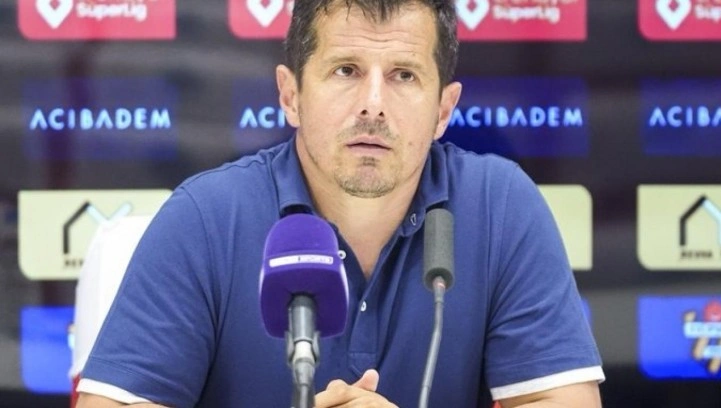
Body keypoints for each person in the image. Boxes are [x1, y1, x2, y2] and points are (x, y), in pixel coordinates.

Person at [76, 0, 604, 406]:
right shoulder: (206, 217)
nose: (373, 105)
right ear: (291, 96)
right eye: (346, 70)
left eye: (403, 75)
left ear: (444, 110)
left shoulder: (501, 206)